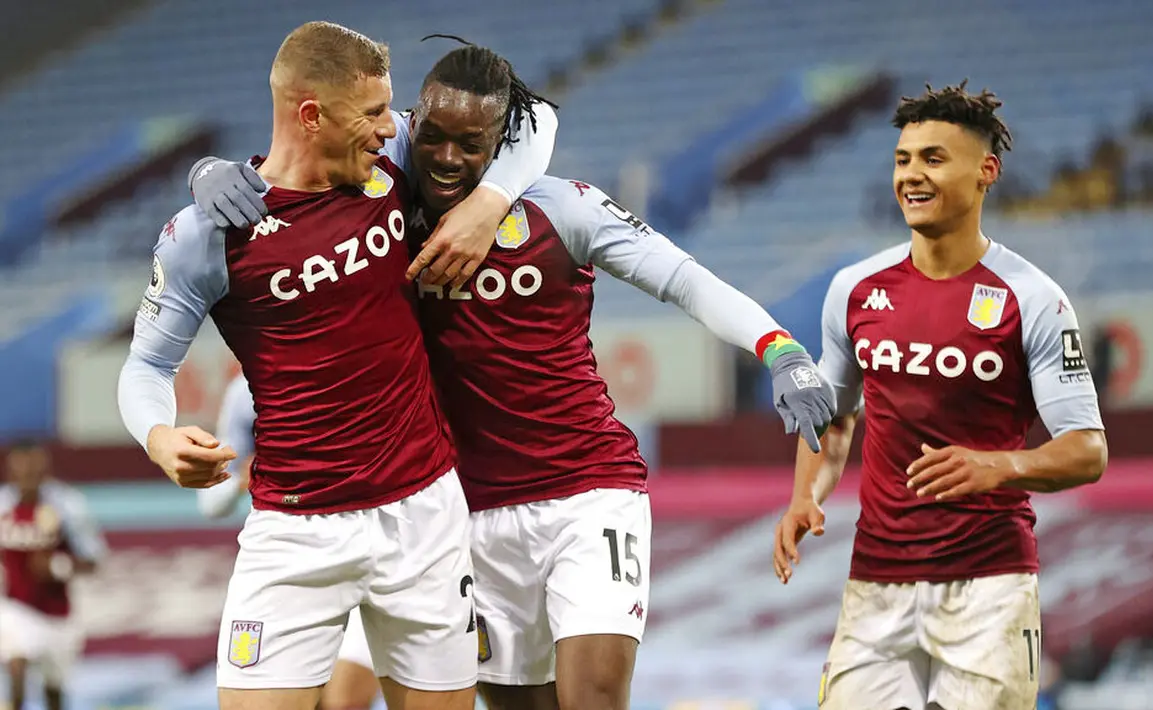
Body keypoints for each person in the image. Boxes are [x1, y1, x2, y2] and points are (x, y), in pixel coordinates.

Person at [193, 40, 837, 710]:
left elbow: (683, 280)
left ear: (502, 141)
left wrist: (779, 350)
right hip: (463, 516)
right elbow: (298, 168)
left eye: (471, 144)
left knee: (591, 697)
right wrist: (212, 172)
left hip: (587, 492)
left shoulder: (566, 208)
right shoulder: (384, 212)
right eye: (432, 138)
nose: (446, 157)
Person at [116, 22, 555, 710]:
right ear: (311, 115)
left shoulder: (395, 165)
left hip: (425, 515)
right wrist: (159, 436)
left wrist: (488, 205)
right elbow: (145, 367)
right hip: (295, 532)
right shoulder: (207, 235)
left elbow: (537, 120)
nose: (394, 128)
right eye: (374, 113)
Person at [770, 82, 1108, 710]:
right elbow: (836, 414)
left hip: (991, 587)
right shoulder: (854, 289)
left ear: (987, 172)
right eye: (903, 160)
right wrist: (804, 496)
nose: (912, 175)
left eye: (932, 158)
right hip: (875, 581)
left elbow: (1088, 451)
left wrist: (1001, 465)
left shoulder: (1032, 298)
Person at [200, 375, 379, 710]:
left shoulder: (375, 364)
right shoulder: (245, 391)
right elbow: (211, 502)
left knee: (344, 701)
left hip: (370, 546)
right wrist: (243, 478)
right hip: (287, 560)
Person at [0, 440, 107, 710]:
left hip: (58, 615)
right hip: (16, 606)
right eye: (20, 472)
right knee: (17, 663)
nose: (27, 479)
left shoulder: (67, 506)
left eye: (33, 472)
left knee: (54, 691)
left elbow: (94, 559)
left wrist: (59, 565)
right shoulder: (2, 506)